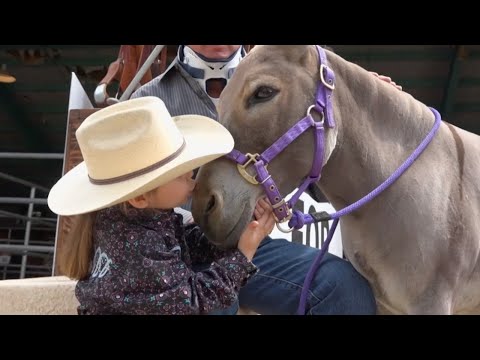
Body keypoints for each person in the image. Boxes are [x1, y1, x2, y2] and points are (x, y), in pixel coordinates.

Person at [129, 45, 406, 315]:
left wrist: (360, 110)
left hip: (260, 244)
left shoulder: (295, 81)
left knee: (344, 289)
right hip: (174, 252)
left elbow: (324, 169)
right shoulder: (147, 102)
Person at [48, 96, 276, 315]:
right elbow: (195, 300)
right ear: (140, 198)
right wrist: (244, 254)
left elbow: (181, 244)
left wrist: (236, 231)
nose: (192, 175)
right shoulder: (139, 245)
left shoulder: (126, 220)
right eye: (179, 173)